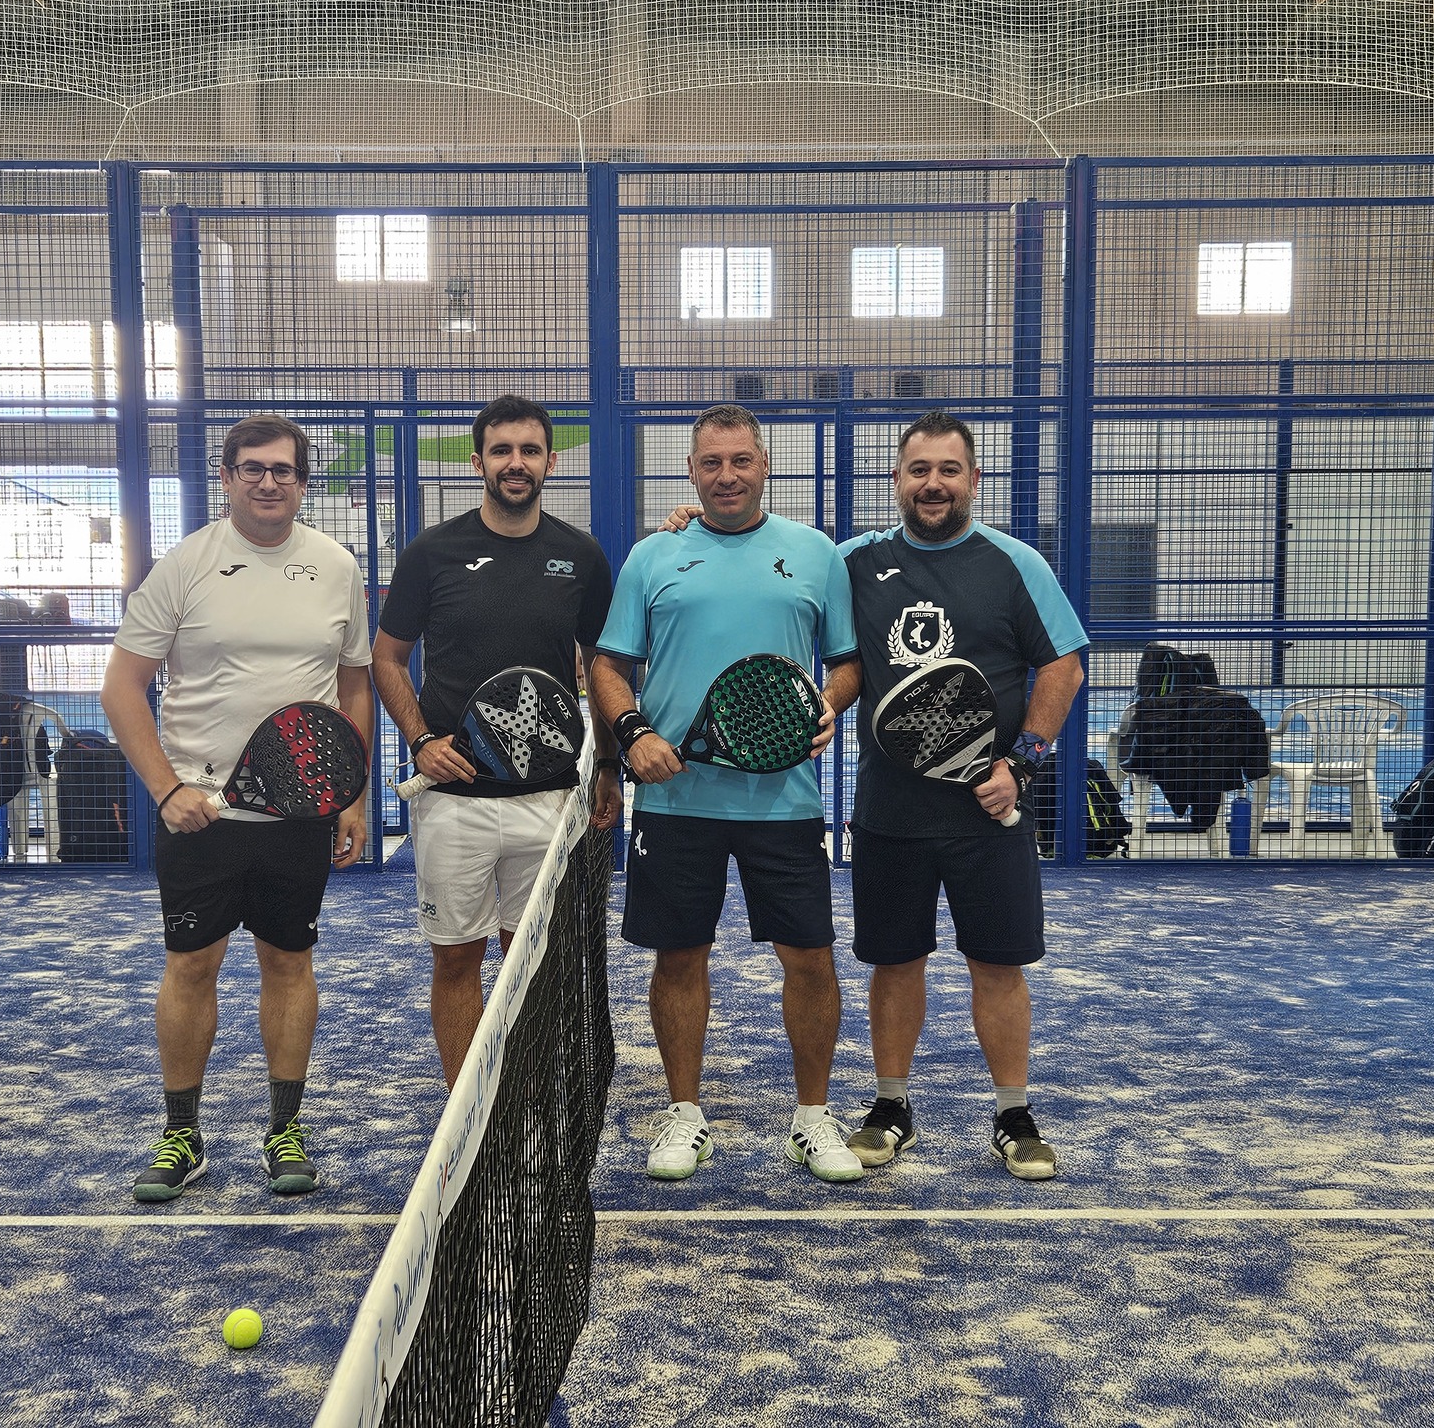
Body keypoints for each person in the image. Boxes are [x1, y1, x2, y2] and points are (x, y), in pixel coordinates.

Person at [589, 403, 865, 1185]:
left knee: (809, 958)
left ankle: (812, 1119)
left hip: (785, 801)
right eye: (711, 463)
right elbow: (608, 664)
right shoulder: (654, 555)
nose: (727, 475)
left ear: (764, 465)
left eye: (741, 460)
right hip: (676, 801)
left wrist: (828, 704)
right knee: (680, 957)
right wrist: (634, 733)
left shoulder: (816, 554)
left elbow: (847, 662)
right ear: (691, 471)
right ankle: (685, 1114)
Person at [102, 413, 374, 1203]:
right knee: (192, 966)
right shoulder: (184, 566)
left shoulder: (335, 567)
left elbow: (353, 686)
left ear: (302, 482)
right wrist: (168, 790)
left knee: (289, 963)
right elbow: (121, 688)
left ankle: (285, 1130)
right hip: (202, 817)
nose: (267, 482)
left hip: (299, 820)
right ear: (225, 478)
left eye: (283, 470)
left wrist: (349, 794)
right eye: (251, 468)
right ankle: (181, 1136)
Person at [827, 410, 1086, 1180]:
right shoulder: (852, 562)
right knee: (894, 963)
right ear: (897, 480)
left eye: (948, 470)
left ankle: (1014, 1115)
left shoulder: (1013, 563)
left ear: (974, 480)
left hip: (988, 814)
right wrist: (686, 525)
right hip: (890, 812)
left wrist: (1022, 764)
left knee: (997, 966)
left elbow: (1063, 665)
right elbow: (773, 573)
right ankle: (890, 1108)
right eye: (919, 470)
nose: (933, 484)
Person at [372, 394, 621, 1088]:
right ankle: (469, 1111)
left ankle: (522, 1099)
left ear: (550, 462)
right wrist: (420, 739)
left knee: (529, 961)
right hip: (454, 797)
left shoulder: (580, 556)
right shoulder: (432, 553)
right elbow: (386, 658)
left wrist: (607, 766)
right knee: (456, 958)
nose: (516, 463)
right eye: (502, 450)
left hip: (549, 799)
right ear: (478, 461)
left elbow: (602, 665)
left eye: (530, 451)